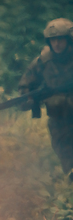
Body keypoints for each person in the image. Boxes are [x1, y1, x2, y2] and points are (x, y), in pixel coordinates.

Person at [18, 18, 73, 181]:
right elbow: (25, 85)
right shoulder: (43, 61)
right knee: (67, 159)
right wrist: (28, 99)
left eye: (60, 39)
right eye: (53, 40)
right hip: (59, 121)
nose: (57, 44)